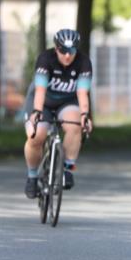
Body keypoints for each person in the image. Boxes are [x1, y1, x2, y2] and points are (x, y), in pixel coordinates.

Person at [23, 29, 93, 199]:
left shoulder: (83, 62)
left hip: (67, 102)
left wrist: (85, 114)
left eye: (71, 51)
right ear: (56, 48)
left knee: (75, 125)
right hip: (42, 101)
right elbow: (40, 90)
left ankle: (68, 169)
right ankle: (32, 177)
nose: (67, 56)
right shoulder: (46, 59)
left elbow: (83, 93)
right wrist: (37, 112)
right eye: (63, 51)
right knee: (36, 136)